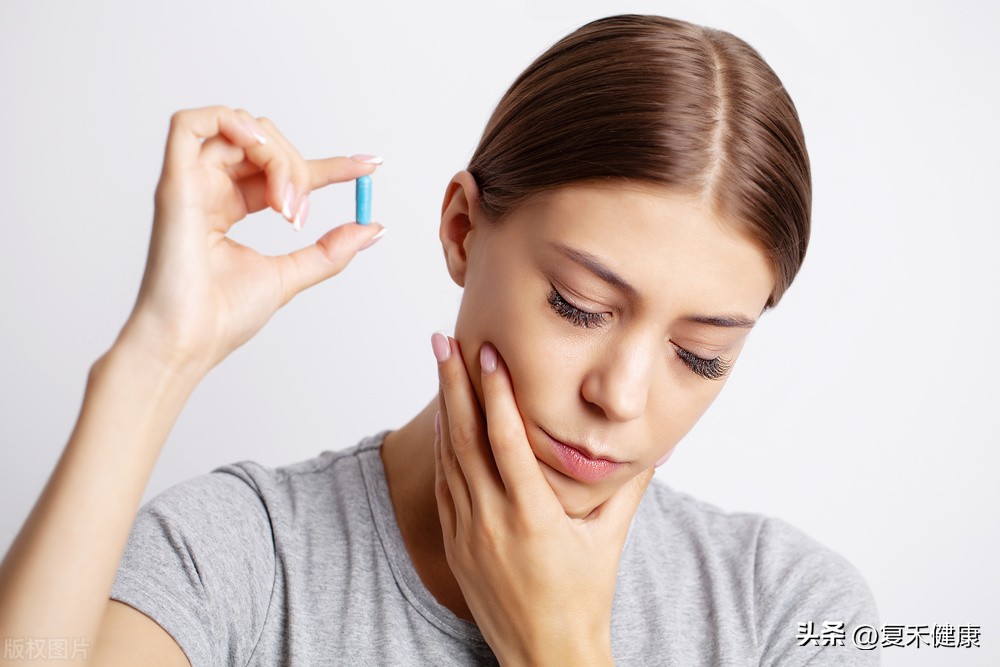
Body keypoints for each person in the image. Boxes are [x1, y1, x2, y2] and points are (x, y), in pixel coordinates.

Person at [0, 13, 879, 666]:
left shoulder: (791, 614)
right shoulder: (238, 558)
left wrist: (560, 647)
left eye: (701, 356)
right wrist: (155, 358)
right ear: (462, 229)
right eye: (578, 305)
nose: (622, 396)